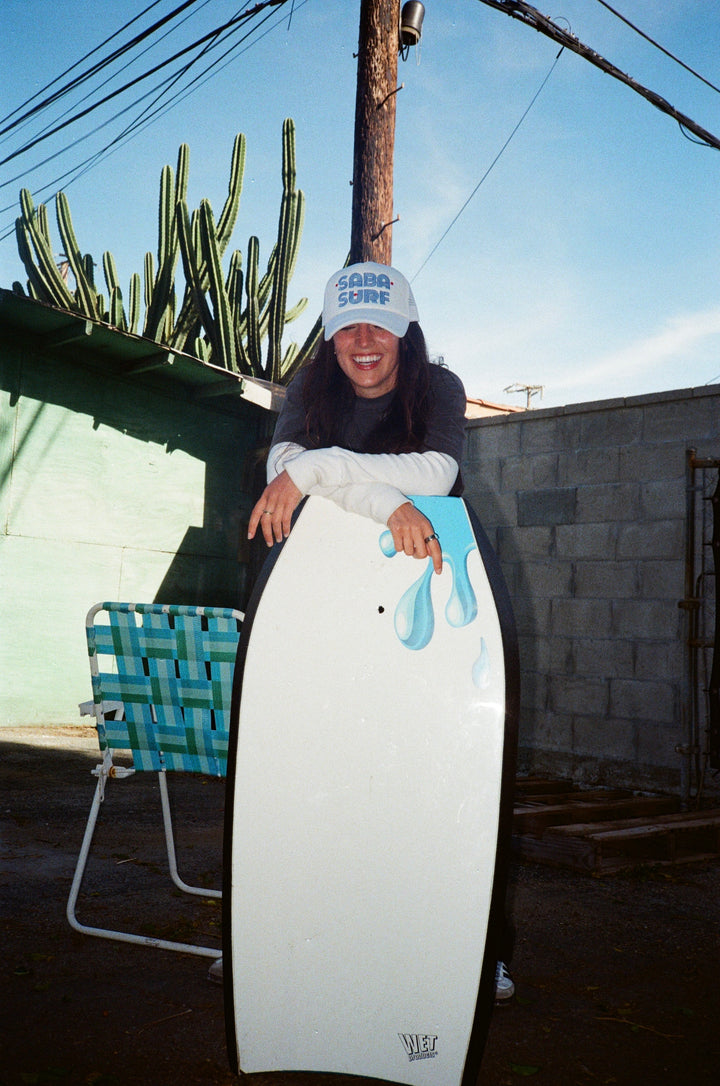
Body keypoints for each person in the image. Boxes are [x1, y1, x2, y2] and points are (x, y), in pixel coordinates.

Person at [211, 261, 514, 1002]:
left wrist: (317, 470)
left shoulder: (437, 386)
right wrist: (382, 501)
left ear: (406, 329)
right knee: (298, 766)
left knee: (447, 771)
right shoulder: (309, 388)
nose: (364, 340)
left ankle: (478, 954)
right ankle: (262, 937)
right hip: (318, 596)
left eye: (379, 323)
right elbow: (285, 466)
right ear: (331, 335)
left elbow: (437, 474)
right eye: (348, 325)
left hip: (430, 596)